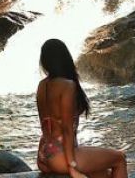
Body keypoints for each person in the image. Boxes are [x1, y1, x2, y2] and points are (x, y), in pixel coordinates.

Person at [36, 38, 128, 178]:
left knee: (105, 175)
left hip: (44, 155)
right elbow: (67, 129)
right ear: (65, 58)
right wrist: (72, 167)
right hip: (62, 157)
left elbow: (45, 124)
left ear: (45, 61)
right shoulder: (67, 86)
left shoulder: (41, 86)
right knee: (120, 158)